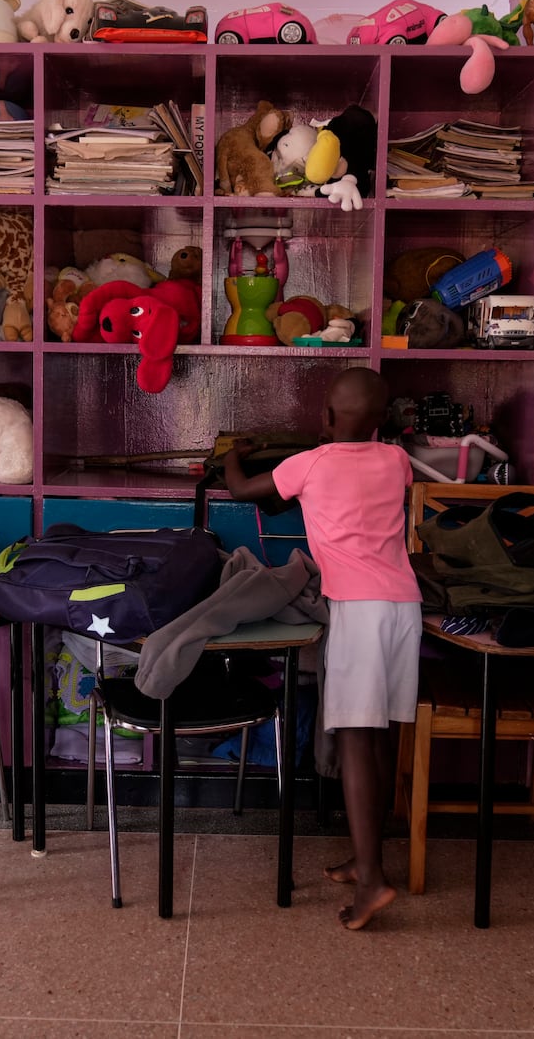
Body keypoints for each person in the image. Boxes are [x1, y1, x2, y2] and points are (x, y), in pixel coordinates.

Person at [224, 367, 421, 930]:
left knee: (356, 740)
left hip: (356, 612)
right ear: (382, 422)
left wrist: (235, 455)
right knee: (380, 737)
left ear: (327, 419)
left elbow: (243, 491)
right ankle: (366, 858)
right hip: (402, 606)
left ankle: (374, 882)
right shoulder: (395, 462)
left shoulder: (308, 463)